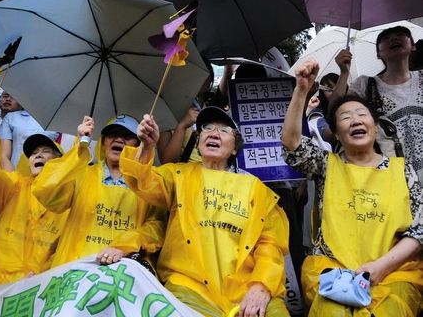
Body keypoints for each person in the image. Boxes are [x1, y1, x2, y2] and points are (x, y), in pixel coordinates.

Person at [282, 59, 423, 316]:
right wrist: (301, 90)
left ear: (375, 125)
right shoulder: (326, 164)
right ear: (336, 133)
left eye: (361, 115)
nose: (355, 120)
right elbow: (292, 145)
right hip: (332, 269)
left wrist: (380, 267)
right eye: (345, 117)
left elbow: (419, 231)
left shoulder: (402, 170)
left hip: (393, 273)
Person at [120, 106, 290, 317]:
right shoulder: (177, 175)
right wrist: (147, 147)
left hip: (246, 289)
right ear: (199, 144)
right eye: (207, 128)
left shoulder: (256, 189)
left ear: (235, 148)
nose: (213, 133)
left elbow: (270, 246)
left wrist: (261, 286)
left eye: (224, 130)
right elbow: (142, 181)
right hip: (188, 287)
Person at [32, 115, 166, 268]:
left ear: (138, 144)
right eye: (112, 134)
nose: (118, 140)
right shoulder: (81, 174)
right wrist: (79, 148)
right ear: (103, 142)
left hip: (120, 273)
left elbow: (156, 227)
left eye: (127, 136)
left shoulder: (147, 182)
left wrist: (124, 247)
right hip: (74, 272)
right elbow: (45, 189)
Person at [0, 106, 69, 287]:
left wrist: (42, 275)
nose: (38, 155)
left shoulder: (68, 199)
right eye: (33, 153)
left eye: (45, 151)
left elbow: (67, 247)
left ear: (60, 160)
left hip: (37, 287)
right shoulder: (14, 187)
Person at [334, 25, 423, 183]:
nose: (393, 39)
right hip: (392, 180)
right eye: (385, 39)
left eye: (400, 35)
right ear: (378, 53)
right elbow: (336, 114)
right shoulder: (365, 85)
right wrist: (344, 73)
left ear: (413, 45)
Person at [0, 93, 57, 171]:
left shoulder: (56, 120)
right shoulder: (11, 118)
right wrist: (13, 179)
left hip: (47, 176)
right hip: (17, 175)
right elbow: (4, 155)